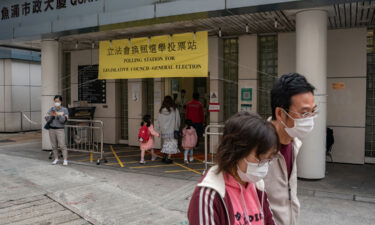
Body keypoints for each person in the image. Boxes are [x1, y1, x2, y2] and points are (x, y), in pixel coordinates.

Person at [188, 111, 279, 225]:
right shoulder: (208, 196)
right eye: (260, 158)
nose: (265, 165)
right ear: (236, 151)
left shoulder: (257, 185)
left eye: (269, 159)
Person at [264, 73, 317, 225]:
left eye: (313, 111)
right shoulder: (254, 149)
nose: (311, 119)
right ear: (280, 113)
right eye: (304, 113)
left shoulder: (295, 144)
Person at [45, 95, 69, 166]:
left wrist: (58, 115)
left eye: (58, 101)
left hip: (60, 129)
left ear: (61, 101)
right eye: (55, 101)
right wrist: (50, 116)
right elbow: (47, 119)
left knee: (62, 145)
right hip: (52, 129)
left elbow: (63, 120)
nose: (56, 103)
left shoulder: (64, 110)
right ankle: (56, 158)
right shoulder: (51, 109)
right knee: (54, 145)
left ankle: (65, 160)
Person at [156, 96, 180, 164]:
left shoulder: (161, 111)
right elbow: (177, 120)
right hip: (172, 130)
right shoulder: (175, 110)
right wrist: (177, 128)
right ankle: (168, 158)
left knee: (166, 144)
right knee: (171, 144)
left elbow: (158, 121)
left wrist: (159, 129)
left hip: (164, 131)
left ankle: (164, 157)